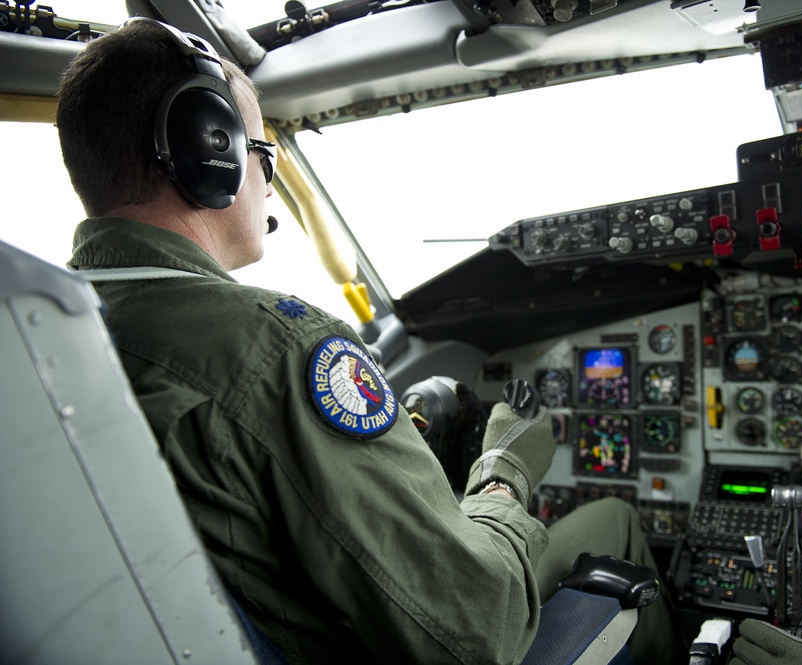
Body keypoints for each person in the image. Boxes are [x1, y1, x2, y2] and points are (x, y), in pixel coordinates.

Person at [57, 18, 683, 664]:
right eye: (261, 154)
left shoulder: (54, 336)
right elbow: (480, 620)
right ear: (206, 147)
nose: (267, 183)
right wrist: (504, 472)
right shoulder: (276, 351)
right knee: (615, 521)